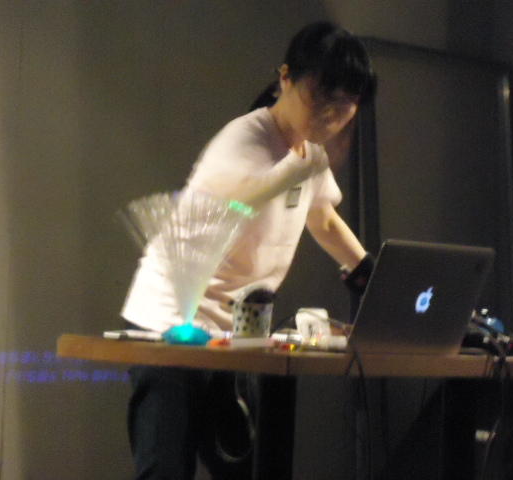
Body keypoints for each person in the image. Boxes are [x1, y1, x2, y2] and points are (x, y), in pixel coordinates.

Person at [121, 21, 376, 480]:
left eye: (343, 105)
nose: (329, 116)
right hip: (169, 323)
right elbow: (233, 204)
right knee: (165, 469)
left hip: (233, 332)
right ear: (285, 79)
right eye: (320, 98)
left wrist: (367, 274)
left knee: (243, 465)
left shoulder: (309, 155)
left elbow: (322, 218)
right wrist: (289, 173)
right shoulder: (245, 137)